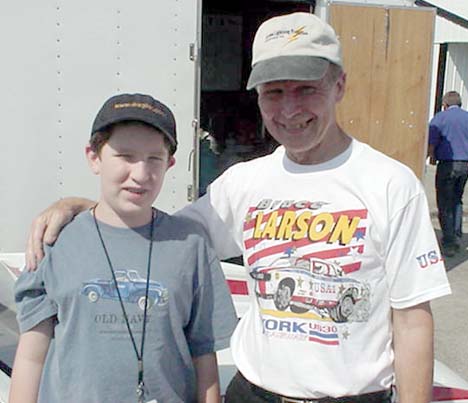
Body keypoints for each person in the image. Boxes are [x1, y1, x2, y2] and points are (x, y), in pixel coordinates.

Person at [26, 13, 451, 403]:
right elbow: (155, 231)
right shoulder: (244, 182)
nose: (289, 109)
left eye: (306, 89)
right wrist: (81, 205)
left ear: (339, 85)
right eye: (274, 92)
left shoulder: (391, 184)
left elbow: (413, 321)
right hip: (252, 394)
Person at [10, 93, 237, 403]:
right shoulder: (55, 240)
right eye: (126, 156)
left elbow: (203, 355)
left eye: (154, 158)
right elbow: (31, 356)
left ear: (170, 164)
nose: (141, 174)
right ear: (94, 157)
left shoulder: (190, 244)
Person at [428, 90, 468, 257]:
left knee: (444, 202)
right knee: (457, 199)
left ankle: (449, 241)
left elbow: (432, 142)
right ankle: (457, 233)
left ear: (444, 105)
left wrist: (432, 157)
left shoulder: (440, 118)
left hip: (447, 164)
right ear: (459, 104)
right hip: (465, 165)